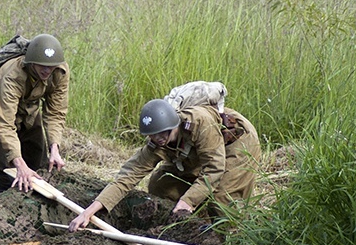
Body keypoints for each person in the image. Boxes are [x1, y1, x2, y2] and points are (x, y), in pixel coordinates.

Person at [68, 96, 260, 232]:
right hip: (201, 151)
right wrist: (89, 211)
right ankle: (196, 224)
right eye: (152, 135)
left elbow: (214, 169)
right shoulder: (158, 140)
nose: (157, 139)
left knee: (221, 196)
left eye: (162, 133)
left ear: (174, 125)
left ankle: (228, 240)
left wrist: (188, 201)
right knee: (160, 183)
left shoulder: (200, 124)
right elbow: (127, 176)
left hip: (237, 144)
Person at [0, 34, 69, 196]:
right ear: (30, 62)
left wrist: (55, 147)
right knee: (5, 173)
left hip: (28, 107)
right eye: (42, 66)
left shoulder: (59, 71)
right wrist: (18, 163)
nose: (47, 70)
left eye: (51, 66)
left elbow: (55, 113)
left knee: (39, 164)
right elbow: (2, 122)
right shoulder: (11, 74)